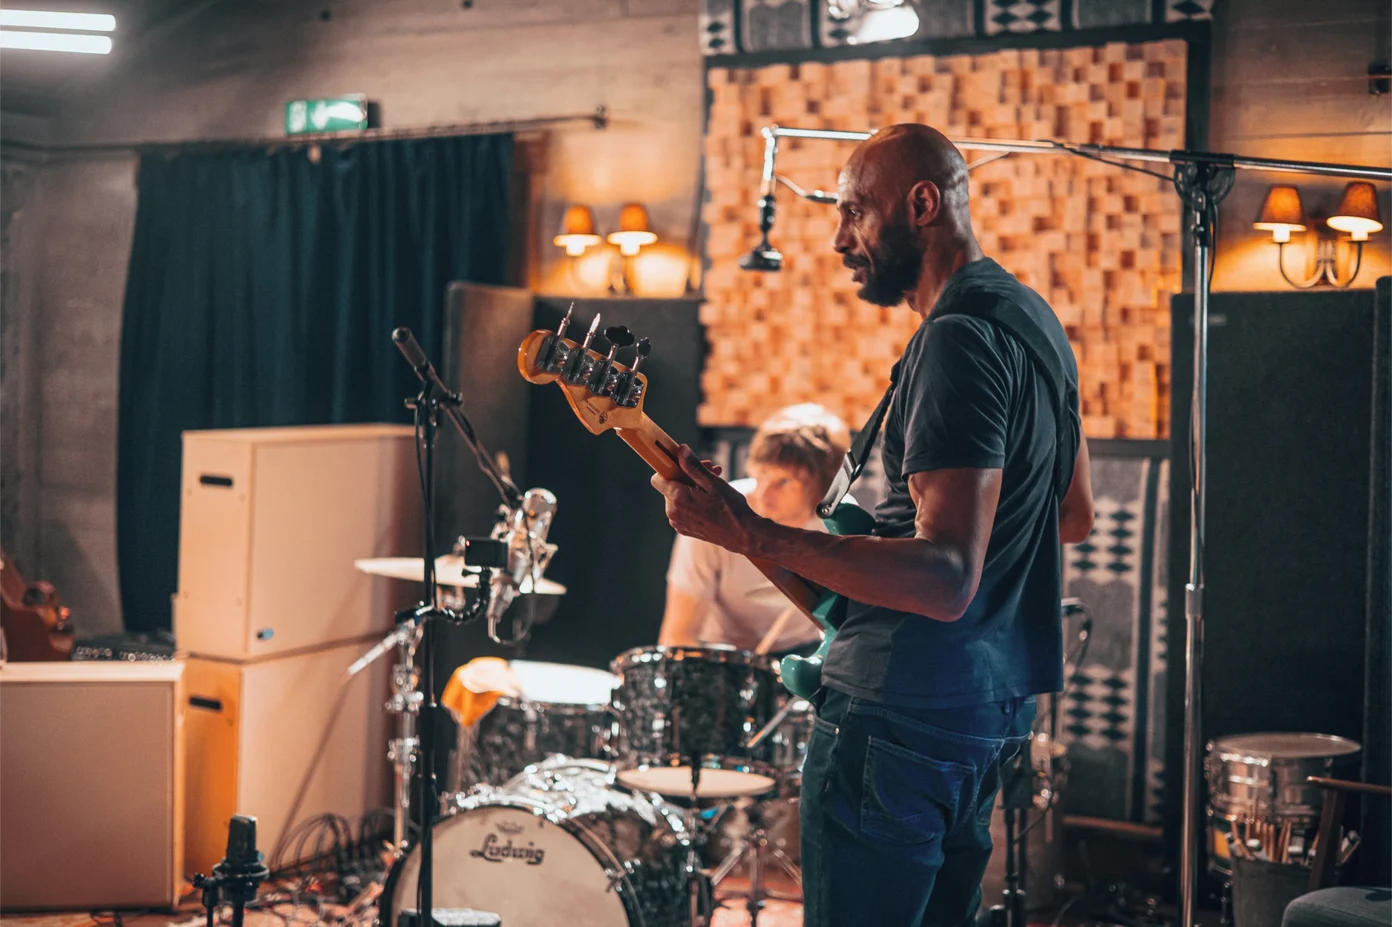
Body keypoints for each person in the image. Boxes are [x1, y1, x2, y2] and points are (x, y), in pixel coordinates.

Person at [651, 123, 1095, 926]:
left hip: (897, 717)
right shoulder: (1037, 325)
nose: (837, 237)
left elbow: (944, 577)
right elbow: (1073, 514)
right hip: (986, 718)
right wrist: (740, 526)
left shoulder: (954, 342)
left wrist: (754, 533)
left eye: (855, 210)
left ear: (921, 204)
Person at [658, 404, 849, 657]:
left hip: (804, 658)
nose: (763, 493)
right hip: (720, 657)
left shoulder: (839, 525)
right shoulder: (715, 518)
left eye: (783, 481)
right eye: (762, 474)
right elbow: (678, 635)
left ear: (823, 489)